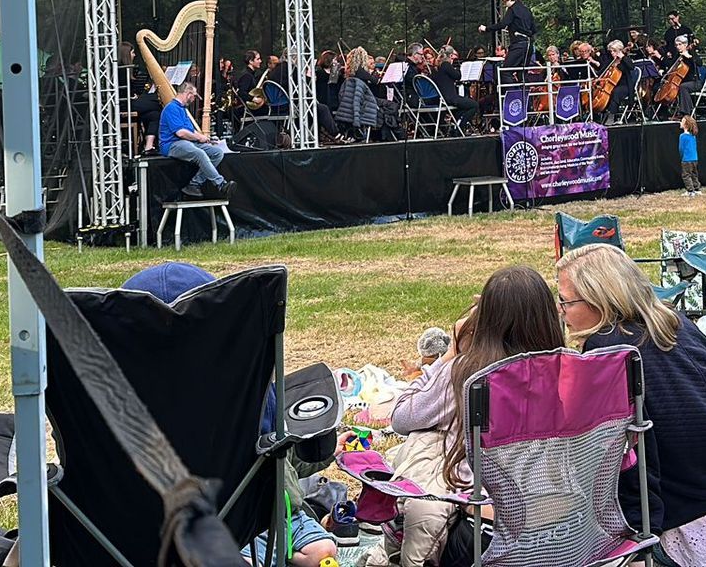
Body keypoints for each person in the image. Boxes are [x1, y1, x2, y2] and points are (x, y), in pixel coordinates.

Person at [557, 245, 706, 567]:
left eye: (565, 300)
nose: (561, 310)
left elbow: (630, 459)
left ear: (599, 300)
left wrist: (636, 541)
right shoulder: (672, 320)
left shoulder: (606, 353)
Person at [121, 263, 338, 567]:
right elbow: (272, 449)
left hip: (121, 529)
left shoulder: (100, 395)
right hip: (236, 521)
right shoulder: (247, 389)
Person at [371, 266, 565, 567]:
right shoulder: (571, 372)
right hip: (563, 530)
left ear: (484, 320)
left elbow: (402, 418)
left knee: (427, 438)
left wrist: (449, 357)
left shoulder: (466, 372)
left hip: (484, 535)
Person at [159, 79, 230, 195]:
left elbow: (191, 131)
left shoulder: (182, 109)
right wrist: (199, 138)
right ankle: (221, 183)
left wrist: (205, 138)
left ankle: (194, 183)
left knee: (217, 153)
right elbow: (181, 133)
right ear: (188, 94)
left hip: (185, 142)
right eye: (194, 97)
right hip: (172, 144)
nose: (193, 100)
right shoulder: (171, 108)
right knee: (199, 153)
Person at [481, 0, 537, 81]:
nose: (505, 4)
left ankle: (512, 95)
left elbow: (503, 24)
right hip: (528, 45)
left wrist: (486, 28)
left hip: (518, 45)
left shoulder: (512, 9)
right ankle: (526, 95)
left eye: (505, 1)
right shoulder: (527, 10)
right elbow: (534, 29)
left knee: (505, 72)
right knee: (522, 74)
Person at [678, 115, 701, 196]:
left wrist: (682, 157)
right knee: (694, 174)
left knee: (686, 175)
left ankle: (690, 191)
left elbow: (681, 149)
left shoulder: (682, 136)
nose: (680, 122)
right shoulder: (693, 136)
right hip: (695, 158)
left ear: (686, 125)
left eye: (682, 121)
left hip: (686, 159)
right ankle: (697, 189)